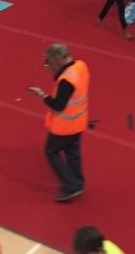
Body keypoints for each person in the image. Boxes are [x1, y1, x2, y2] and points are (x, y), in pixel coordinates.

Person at [28, 44, 89, 202]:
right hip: (79, 121)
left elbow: (58, 104)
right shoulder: (81, 66)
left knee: (51, 152)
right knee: (72, 154)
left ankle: (70, 186)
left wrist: (41, 95)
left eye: (49, 63)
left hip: (64, 126)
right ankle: (78, 182)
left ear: (57, 59)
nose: (49, 66)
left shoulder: (66, 81)